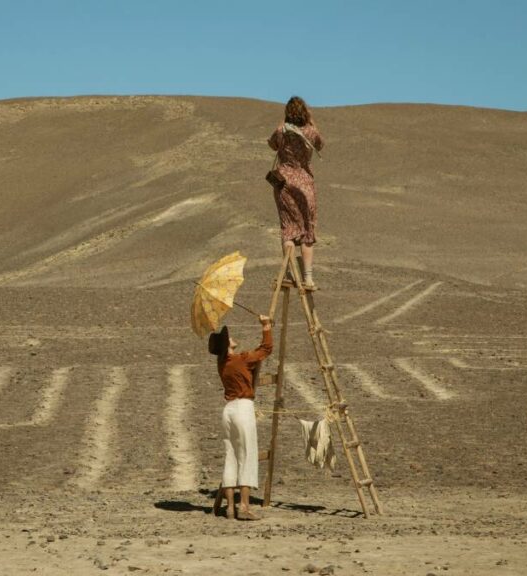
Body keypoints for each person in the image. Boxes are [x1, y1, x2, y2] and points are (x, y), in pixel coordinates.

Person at [208, 315, 273, 520]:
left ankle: (229, 507)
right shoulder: (241, 359)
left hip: (228, 410)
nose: (233, 338)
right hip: (243, 408)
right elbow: (265, 350)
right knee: (247, 455)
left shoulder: (223, 364)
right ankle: (244, 507)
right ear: (227, 345)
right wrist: (266, 327)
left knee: (231, 455)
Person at [267, 96, 325, 290]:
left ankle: (291, 272)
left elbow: (272, 144)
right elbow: (320, 144)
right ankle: (308, 277)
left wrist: (284, 122)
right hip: (305, 185)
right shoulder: (310, 132)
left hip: (284, 185)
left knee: (289, 230)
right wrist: (311, 119)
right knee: (307, 231)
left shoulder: (281, 131)